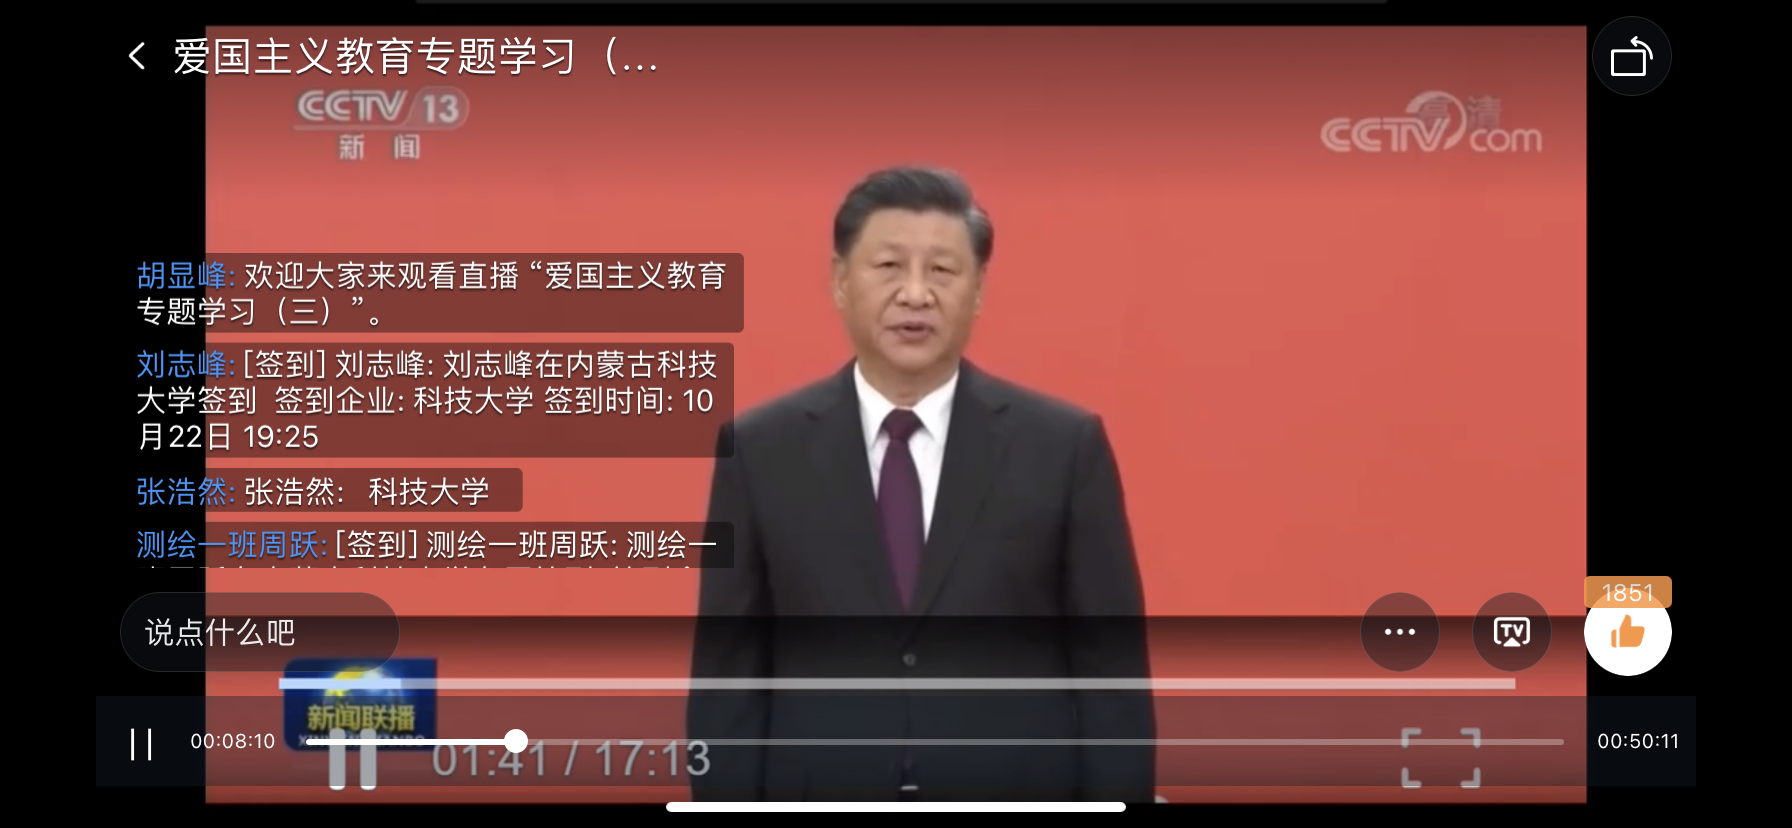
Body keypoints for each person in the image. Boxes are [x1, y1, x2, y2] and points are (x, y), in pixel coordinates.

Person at [687, 167, 1154, 802]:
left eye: (942, 270)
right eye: (888, 266)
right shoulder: (760, 451)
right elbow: (727, 678)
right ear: (840, 281)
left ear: (978, 289)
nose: (915, 293)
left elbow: (1113, 678)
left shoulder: (1063, 449)